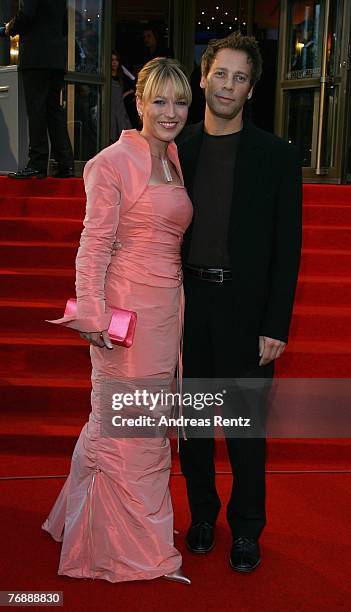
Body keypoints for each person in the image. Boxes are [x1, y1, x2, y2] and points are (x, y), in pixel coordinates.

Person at [41, 57, 193, 585]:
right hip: (124, 313)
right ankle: (126, 544)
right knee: (133, 428)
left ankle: (100, 519)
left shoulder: (173, 156)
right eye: (159, 101)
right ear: (139, 101)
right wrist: (91, 313)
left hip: (168, 310)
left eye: (180, 102)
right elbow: (94, 243)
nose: (170, 112)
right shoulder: (111, 161)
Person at [176, 32, 302, 572]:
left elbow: (287, 247)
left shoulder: (276, 156)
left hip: (246, 310)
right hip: (186, 307)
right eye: (220, 74)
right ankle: (203, 515)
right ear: (203, 77)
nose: (228, 86)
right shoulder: (177, 149)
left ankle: (247, 527)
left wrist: (276, 324)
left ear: (252, 90)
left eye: (241, 77)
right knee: (195, 429)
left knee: (247, 431)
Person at [4, 0, 74, 178]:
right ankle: (65, 163)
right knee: (54, 111)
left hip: (36, 57)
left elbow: (27, 13)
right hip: (55, 58)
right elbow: (64, 25)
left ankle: (37, 163)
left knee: (37, 110)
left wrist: (9, 28)